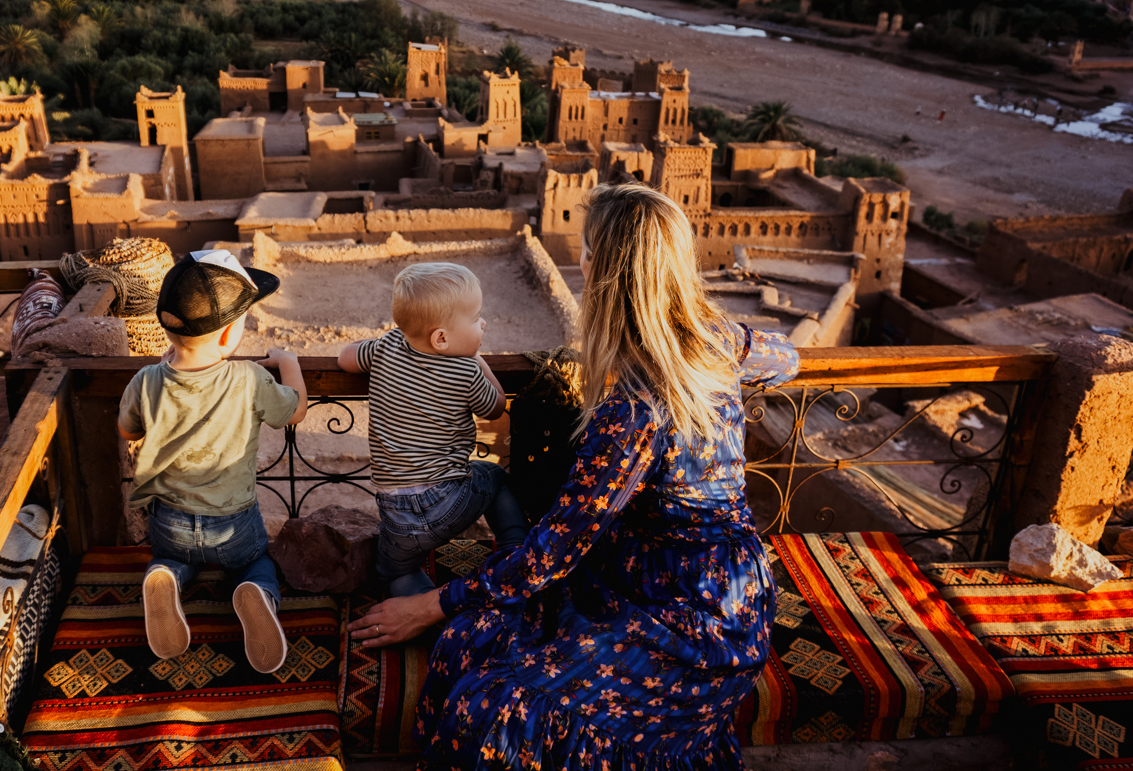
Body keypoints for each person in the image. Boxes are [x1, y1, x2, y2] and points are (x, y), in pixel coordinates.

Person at [349, 183, 800, 770]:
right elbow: (788, 356)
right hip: (655, 577)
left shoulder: (636, 408)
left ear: (598, 266)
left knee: (497, 710)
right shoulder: (715, 342)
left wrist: (435, 602)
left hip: (689, 616)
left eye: (585, 249)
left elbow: (555, 549)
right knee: (469, 642)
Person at [118, 249, 307, 673]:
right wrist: (288, 364)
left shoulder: (145, 380)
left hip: (169, 522)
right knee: (257, 561)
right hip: (234, 526)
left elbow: (128, 431)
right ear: (226, 337)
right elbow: (295, 412)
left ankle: (165, 578)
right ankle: (256, 592)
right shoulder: (248, 379)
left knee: (173, 558)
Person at [337, 262, 528, 597]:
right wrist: (479, 359)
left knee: (393, 574)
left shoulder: (387, 346)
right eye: (475, 319)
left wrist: (381, 344)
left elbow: (345, 359)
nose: (482, 324)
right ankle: (515, 554)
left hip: (395, 515)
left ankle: (424, 604)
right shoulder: (466, 372)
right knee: (495, 477)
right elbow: (496, 405)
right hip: (449, 503)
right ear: (441, 338)